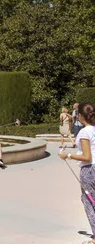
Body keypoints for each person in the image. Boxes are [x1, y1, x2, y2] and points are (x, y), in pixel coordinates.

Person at [60, 103, 95, 243]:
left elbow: (87, 157)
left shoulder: (84, 132)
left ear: (80, 116)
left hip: (89, 170)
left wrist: (68, 155)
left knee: (89, 203)